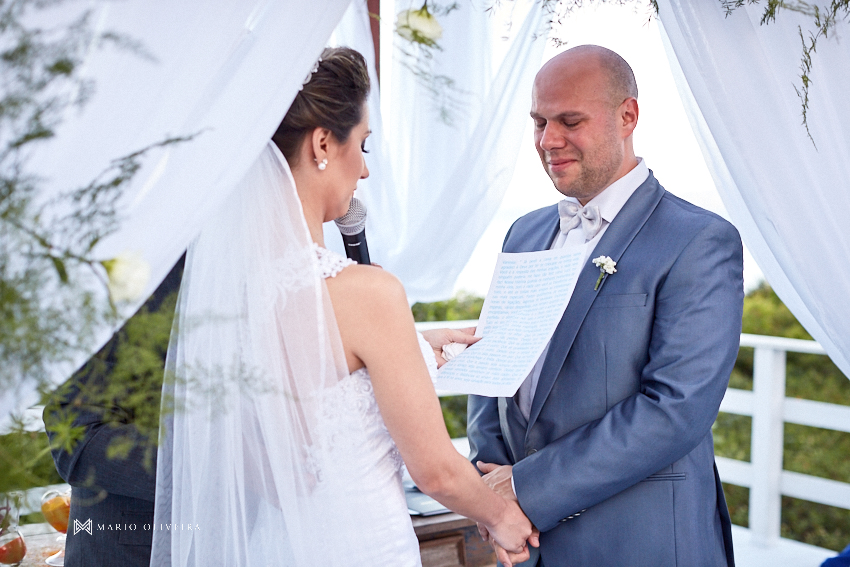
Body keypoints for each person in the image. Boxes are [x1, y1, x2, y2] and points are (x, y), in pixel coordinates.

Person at [150, 47, 535, 567]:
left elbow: (291, 422)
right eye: (364, 145)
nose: (366, 172)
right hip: (360, 546)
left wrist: (414, 345)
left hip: (273, 546)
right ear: (324, 143)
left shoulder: (227, 300)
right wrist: (501, 517)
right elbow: (436, 470)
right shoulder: (366, 294)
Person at [467, 45, 744, 567]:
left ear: (628, 116)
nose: (549, 141)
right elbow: (491, 366)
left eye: (570, 120)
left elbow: (675, 409)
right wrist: (490, 487)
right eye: (539, 122)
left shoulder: (700, 239)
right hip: (523, 547)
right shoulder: (523, 233)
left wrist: (523, 489)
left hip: (641, 544)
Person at [44, 255, 184, 567]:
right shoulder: (136, 267)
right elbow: (78, 437)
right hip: (133, 549)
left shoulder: (286, 256)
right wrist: (209, 470)